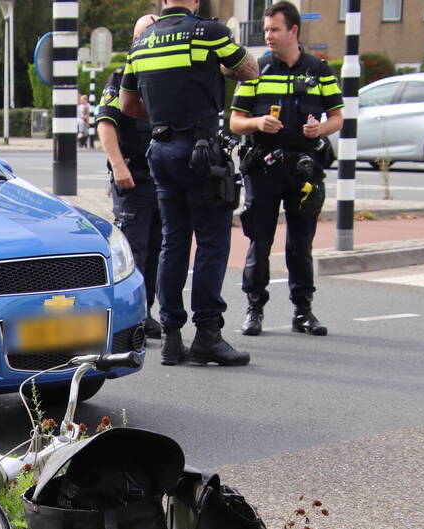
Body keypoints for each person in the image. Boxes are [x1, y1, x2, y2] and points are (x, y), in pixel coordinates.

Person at [120, 0, 258, 367]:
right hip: (200, 151)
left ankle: (170, 337)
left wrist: (164, 116)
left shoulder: (142, 42)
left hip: (160, 150)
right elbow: (250, 70)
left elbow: (128, 104)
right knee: (212, 242)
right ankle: (208, 335)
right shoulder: (210, 33)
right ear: (194, 1)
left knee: (173, 242)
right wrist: (218, 72)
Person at [229, 1, 343, 336]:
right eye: (266, 29)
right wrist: (257, 122)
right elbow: (235, 121)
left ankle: (303, 311)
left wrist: (320, 129)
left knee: (300, 243)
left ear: (293, 30)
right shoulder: (255, 70)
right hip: (264, 168)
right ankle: (254, 310)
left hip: (303, 170)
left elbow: (337, 116)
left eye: (274, 29)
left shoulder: (319, 70)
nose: (268, 36)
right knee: (259, 241)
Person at [95, 14, 163, 340]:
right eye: (142, 35)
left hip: (164, 180)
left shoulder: (166, 77)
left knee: (158, 252)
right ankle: (130, 318)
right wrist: (119, 166)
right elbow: (106, 124)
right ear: (135, 42)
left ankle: (146, 313)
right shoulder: (122, 76)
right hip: (133, 180)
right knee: (134, 252)